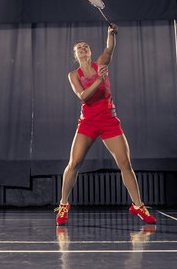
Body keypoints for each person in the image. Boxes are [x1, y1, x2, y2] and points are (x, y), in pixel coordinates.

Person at [55, 23, 156, 226]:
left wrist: (111, 34)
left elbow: (109, 49)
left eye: (86, 46)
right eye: (79, 48)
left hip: (109, 120)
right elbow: (83, 96)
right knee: (74, 163)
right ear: (75, 54)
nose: (83, 48)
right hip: (88, 122)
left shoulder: (100, 63)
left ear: (90, 52)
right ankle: (64, 205)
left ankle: (138, 205)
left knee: (125, 164)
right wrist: (99, 80)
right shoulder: (73, 75)